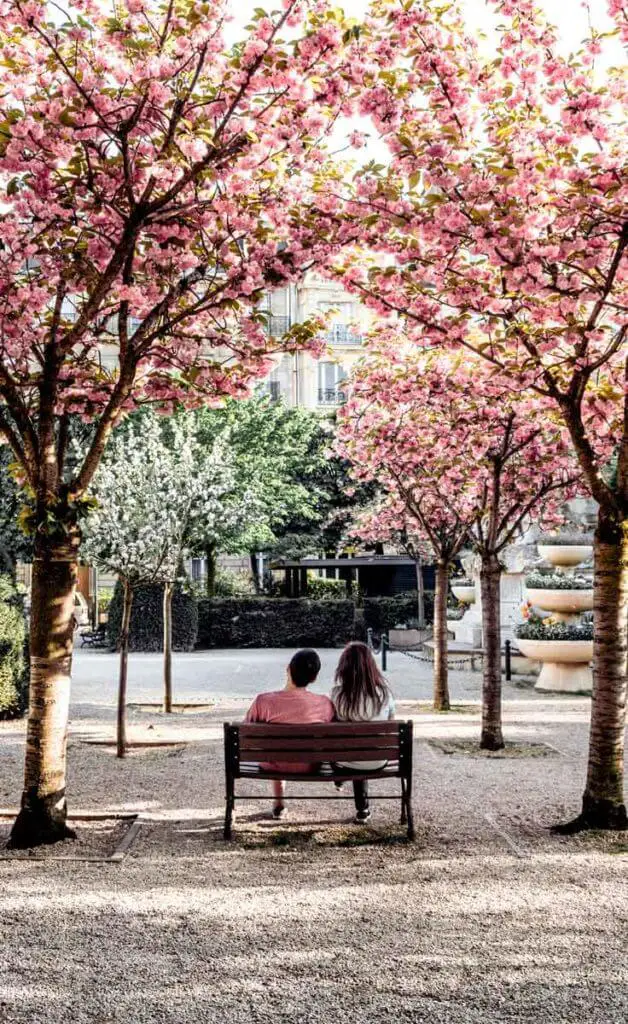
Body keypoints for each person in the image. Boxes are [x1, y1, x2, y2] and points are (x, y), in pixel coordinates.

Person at [245, 648, 334, 820]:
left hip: (272, 764)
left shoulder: (263, 701)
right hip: (309, 765)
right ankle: (278, 804)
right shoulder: (324, 703)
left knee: (275, 750)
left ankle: (278, 803)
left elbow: (246, 734)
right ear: (314, 678)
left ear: (288, 669)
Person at [331, 641, 395, 824]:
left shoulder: (337, 695)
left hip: (344, 761)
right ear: (371, 666)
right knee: (363, 753)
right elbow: (390, 722)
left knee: (351, 753)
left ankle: (340, 780)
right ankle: (363, 810)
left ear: (343, 667)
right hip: (378, 759)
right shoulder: (384, 695)